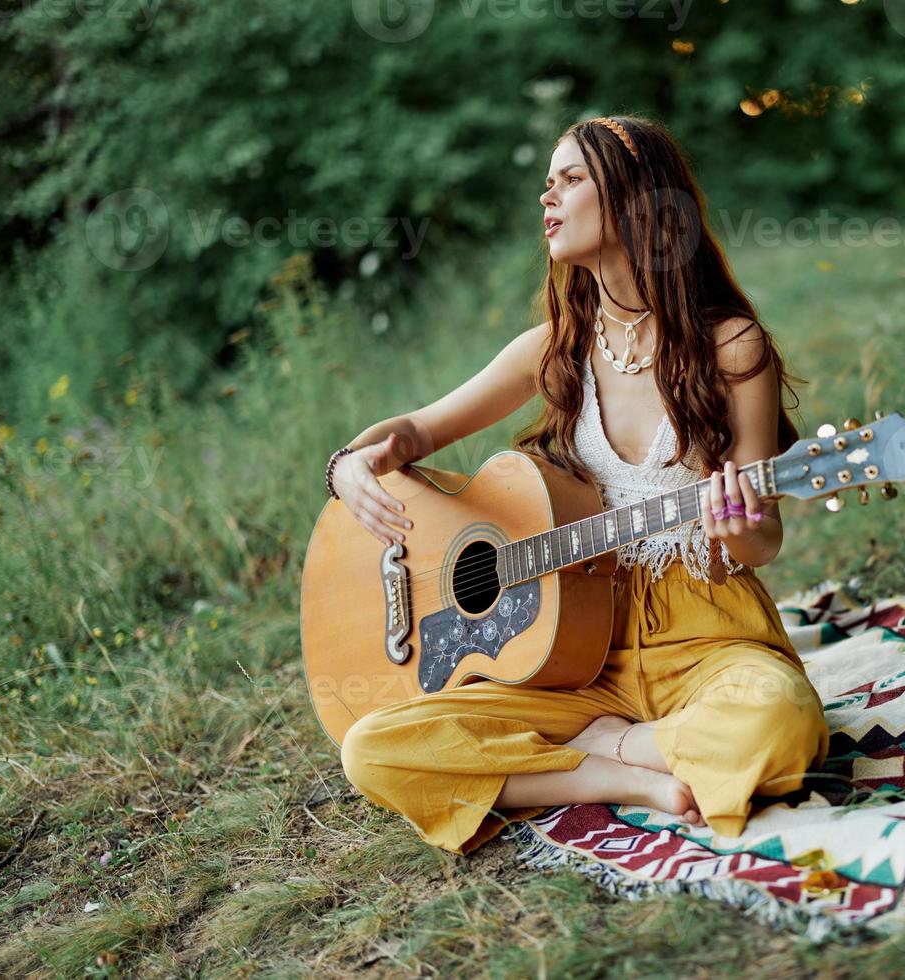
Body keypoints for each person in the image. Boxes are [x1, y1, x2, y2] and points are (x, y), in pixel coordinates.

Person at [326, 114, 831, 855]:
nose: (546, 197)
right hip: (571, 647)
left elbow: (763, 541)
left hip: (706, 629)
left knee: (780, 726)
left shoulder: (731, 348)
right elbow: (415, 432)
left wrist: (740, 525)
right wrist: (346, 466)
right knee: (371, 747)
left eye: (569, 180)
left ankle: (613, 748)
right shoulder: (554, 349)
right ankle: (620, 773)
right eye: (546, 182)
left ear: (633, 201)